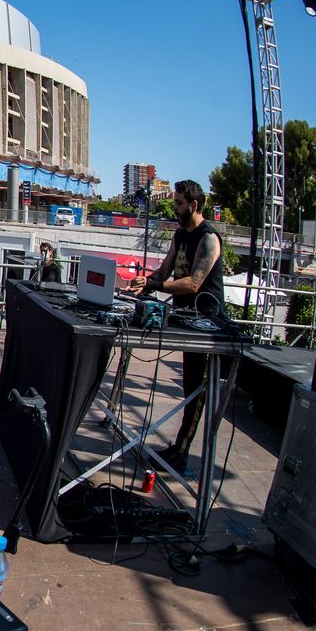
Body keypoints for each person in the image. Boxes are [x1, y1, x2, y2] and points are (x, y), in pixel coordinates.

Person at [124, 179, 227, 474]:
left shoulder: (209, 239)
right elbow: (165, 270)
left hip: (207, 323)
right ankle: (179, 449)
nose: (175, 209)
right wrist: (145, 283)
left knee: (196, 390)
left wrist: (156, 285)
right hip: (186, 318)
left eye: (179, 204)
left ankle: (181, 453)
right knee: (189, 386)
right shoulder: (180, 235)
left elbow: (193, 283)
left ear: (193, 205)